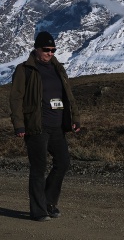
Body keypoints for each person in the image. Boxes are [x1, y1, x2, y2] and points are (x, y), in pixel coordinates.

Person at [10, 31, 81, 222]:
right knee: (38, 168)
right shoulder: (25, 69)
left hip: (57, 126)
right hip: (36, 126)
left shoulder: (58, 69)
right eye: (46, 50)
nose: (50, 53)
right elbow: (16, 98)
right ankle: (38, 210)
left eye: (53, 50)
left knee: (63, 162)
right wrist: (19, 124)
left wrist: (75, 118)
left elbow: (69, 95)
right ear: (37, 49)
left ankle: (48, 202)